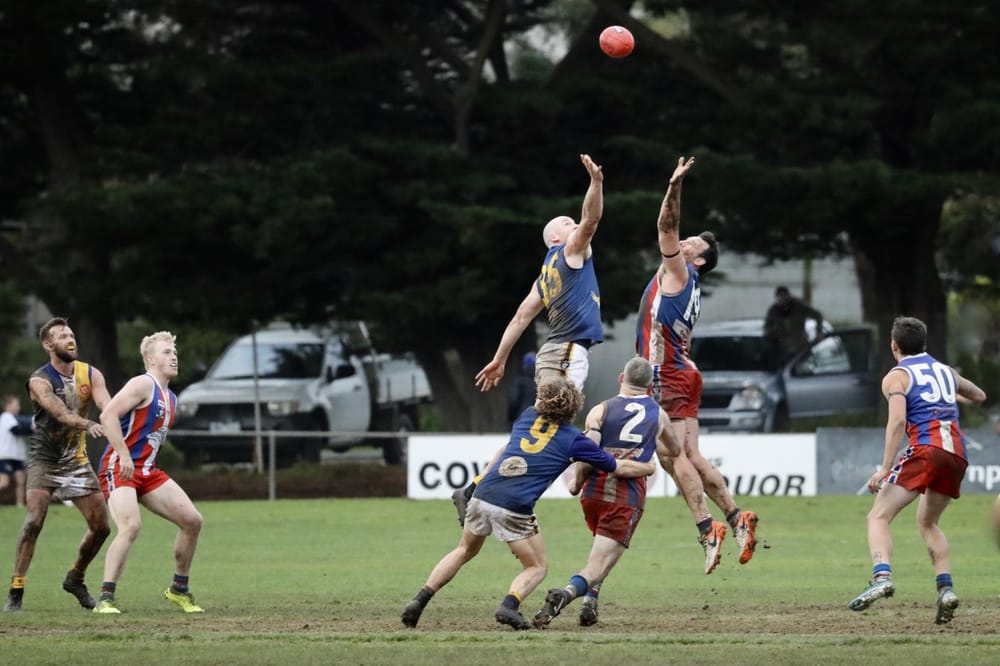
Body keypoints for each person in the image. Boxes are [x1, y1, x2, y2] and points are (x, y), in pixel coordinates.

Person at [401, 377, 654, 630]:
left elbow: (509, 446)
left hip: (483, 494)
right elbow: (617, 466)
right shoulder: (575, 440)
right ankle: (509, 606)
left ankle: (419, 600)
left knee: (464, 550)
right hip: (514, 506)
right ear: (573, 407)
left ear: (542, 399)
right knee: (537, 566)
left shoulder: (527, 416)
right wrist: (648, 467)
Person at [454, 153, 605, 523]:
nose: (575, 226)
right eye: (568, 224)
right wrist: (596, 183)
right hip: (566, 352)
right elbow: (591, 220)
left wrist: (500, 359)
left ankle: (476, 487)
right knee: (551, 428)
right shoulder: (569, 254)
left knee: (536, 426)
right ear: (555, 238)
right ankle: (520, 492)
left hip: (554, 352)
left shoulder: (546, 274)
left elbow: (521, 316)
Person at [635, 156, 758, 575]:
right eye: (686, 241)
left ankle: (707, 527)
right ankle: (736, 516)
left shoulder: (680, 273)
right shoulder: (688, 281)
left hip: (665, 374)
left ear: (699, 261)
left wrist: (674, 187)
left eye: (692, 245)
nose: (683, 244)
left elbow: (665, 226)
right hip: (683, 371)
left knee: (671, 457)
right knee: (690, 453)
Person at [531, 356, 692, 628]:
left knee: (601, 552)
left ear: (621, 378)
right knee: (599, 564)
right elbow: (675, 450)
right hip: (625, 498)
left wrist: (577, 483)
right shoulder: (658, 415)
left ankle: (590, 601)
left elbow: (587, 454)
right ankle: (565, 595)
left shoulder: (600, 410)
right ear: (650, 387)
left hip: (593, 494)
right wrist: (651, 443)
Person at [848, 316, 986, 624]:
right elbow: (979, 396)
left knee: (878, 516)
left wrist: (885, 468)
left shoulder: (896, 377)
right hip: (956, 453)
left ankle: (882, 577)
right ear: (924, 343)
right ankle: (945, 589)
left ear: (893, 345)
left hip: (926, 449)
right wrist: (950, 393)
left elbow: (897, 421)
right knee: (928, 522)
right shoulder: (946, 371)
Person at [3, 317, 112, 612]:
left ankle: (75, 578)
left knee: (101, 527)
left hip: (76, 460)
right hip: (44, 460)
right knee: (33, 521)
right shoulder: (39, 380)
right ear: (48, 345)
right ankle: (16, 589)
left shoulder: (91, 374)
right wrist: (89, 424)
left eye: (71, 334)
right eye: (62, 336)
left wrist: (121, 415)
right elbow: (62, 414)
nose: (70, 339)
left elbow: (107, 405)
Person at [93, 331, 205, 614]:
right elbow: (107, 415)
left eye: (175, 352)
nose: (174, 356)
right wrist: (122, 454)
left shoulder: (171, 398)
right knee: (131, 526)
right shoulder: (143, 383)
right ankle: (105, 598)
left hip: (146, 470)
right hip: (120, 467)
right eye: (167, 352)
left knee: (192, 520)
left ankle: (179, 589)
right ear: (151, 359)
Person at [763, 285, 825, 362]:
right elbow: (767, 327)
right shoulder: (774, 311)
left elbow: (817, 315)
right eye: (780, 297)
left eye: (784, 296)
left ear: (788, 296)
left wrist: (819, 331)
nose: (782, 300)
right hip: (784, 350)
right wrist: (772, 333)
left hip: (801, 347)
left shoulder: (799, 306)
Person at [0, 395, 31, 507]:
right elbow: (16, 430)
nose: (18, 407)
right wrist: (32, 427)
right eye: (16, 405)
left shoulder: (15, 418)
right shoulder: (6, 417)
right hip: (6, 455)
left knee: (21, 481)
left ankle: (20, 505)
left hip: (18, 456)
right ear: (8, 406)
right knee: (4, 483)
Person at [507, 352, 537, 425]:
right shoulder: (541, 381)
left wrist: (511, 418)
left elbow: (513, 400)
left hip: (521, 419)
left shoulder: (519, 380)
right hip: (538, 420)